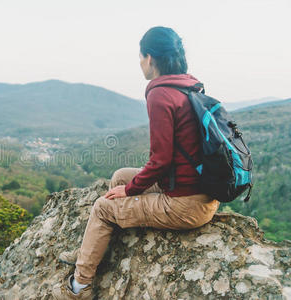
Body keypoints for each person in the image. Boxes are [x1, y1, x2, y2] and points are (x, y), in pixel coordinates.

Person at [51, 26, 220, 300]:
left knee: (103, 207)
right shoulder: (188, 86)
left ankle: (79, 287)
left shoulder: (160, 94)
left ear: (150, 58)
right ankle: (90, 251)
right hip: (201, 193)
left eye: (140, 57)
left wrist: (130, 191)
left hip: (184, 205)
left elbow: (161, 160)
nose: (140, 63)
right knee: (120, 176)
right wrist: (128, 186)